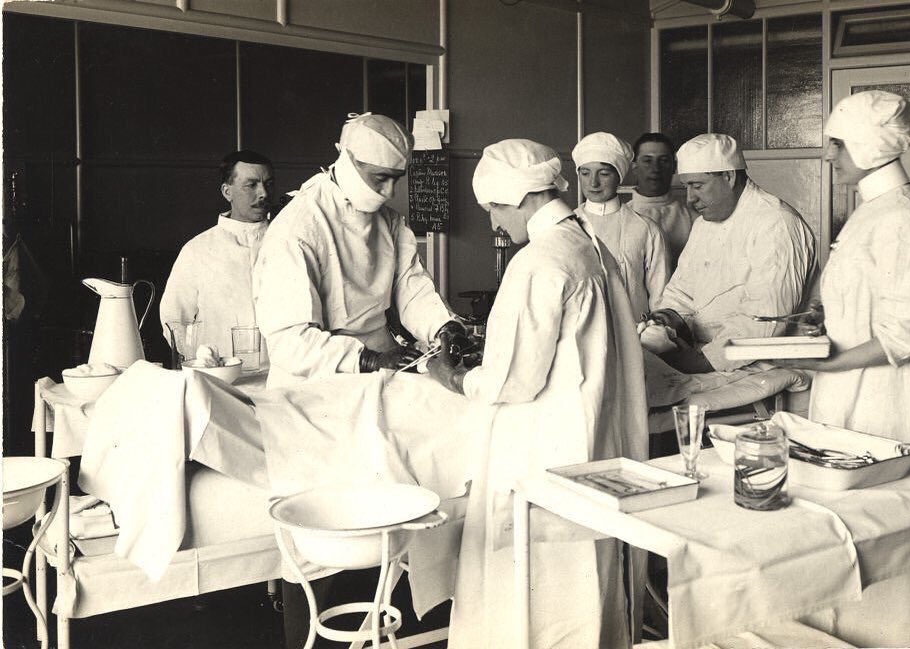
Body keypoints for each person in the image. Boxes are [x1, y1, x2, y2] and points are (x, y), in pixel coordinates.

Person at [427, 139, 648, 649]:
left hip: (547, 444)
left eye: (494, 208)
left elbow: (513, 381)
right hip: (594, 432)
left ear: (522, 196)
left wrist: (455, 376)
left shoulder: (538, 261)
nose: (492, 223)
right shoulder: (588, 242)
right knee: (585, 569)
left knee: (540, 578)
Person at [779, 90, 910, 648]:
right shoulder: (872, 212)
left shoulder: (903, 220)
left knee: (891, 531)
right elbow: (865, 304)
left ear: (866, 145)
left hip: (891, 399)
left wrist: (827, 360)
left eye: (835, 144)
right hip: (856, 391)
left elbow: (907, 335)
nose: (828, 156)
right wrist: (821, 322)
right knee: (856, 527)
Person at [252, 113, 466, 388]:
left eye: (396, 179)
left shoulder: (388, 221)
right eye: (380, 178)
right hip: (317, 376)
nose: (389, 192)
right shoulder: (299, 227)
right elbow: (290, 340)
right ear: (348, 161)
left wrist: (443, 327)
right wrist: (369, 361)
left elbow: (411, 288)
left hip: (382, 368)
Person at [646, 133, 816, 373]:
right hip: (704, 352)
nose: (689, 199)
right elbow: (681, 290)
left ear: (728, 176)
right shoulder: (704, 223)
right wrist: (668, 318)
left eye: (697, 186)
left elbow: (766, 321)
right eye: (686, 187)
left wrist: (704, 361)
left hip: (761, 363)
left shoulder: (776, 222)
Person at [160, 150, 275, 360]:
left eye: (268, 184)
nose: (263, 194)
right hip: (219, 377)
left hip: (280, 376)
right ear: (227, 191)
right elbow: (174, 318)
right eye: (251, 185)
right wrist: (201, 361)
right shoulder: (197, 250)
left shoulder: (287, 242)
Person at [572, 131, 670, 319]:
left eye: (604, 173)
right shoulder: (567, 226)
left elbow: (661, 298)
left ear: (619, 176)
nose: (593, 182)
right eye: (585, 173)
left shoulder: (646, 229)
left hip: (634, 337)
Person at [626, 132, 695, 268]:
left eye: (663, 160)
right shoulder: (623, 216)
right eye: (647, 160)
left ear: (674, 167)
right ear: (634, 167)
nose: (655, 169)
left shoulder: (692, 217)